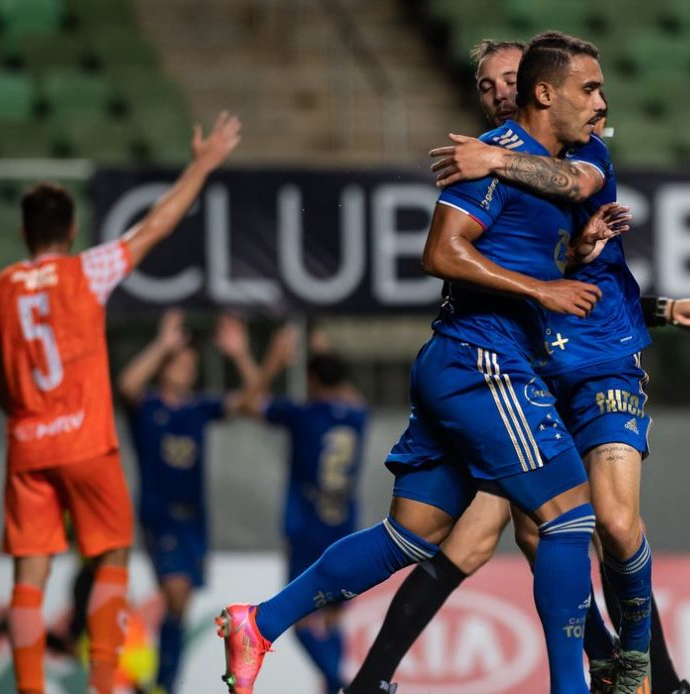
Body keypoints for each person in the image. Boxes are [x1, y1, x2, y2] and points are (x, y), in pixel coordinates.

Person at [217, 31, 615, 694]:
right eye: (590, 89)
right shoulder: (497, 159)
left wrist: (569, 259)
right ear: (546, 94)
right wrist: (542, 289)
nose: (601, 101)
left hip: (465, 364)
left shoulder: (541, 161)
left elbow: (571, 189)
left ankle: (259, 623)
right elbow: (440, 252)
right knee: (569, 517)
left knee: (410, 536)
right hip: (482, 361)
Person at [346, 37, 690, 694]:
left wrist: (657, 308)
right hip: (523, 367)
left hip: (586, 367)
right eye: (488, 84)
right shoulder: (497, 167)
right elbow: (539, 271)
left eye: (511, 78)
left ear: (539, 88)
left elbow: (581, 251)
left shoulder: (576, 151)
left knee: (602, 521)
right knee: (487, 538)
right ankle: (374, 680)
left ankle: (652, 680)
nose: (499, 91)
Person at [0, 111, 241, 694]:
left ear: (24, 234)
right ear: (70, 231)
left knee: (30, 572)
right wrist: (201, 164)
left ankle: (29, 688)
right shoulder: (85, 271)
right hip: (87, 442)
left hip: (27, 444)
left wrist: (23, 417)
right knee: (113, 554)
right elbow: (157, 225)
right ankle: (102, 685)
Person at [117, 309, 258, 694]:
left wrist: (241, 354)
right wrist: (162, 344)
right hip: (160, 516)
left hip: (194, 520)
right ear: (163, 366)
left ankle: (164, 682)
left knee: (180, 605)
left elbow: (253, 398)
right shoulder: (147, 407)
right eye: (179, 362)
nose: (185, 369)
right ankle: (163, 683)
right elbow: (126, 384)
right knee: (176, 593)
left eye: (191, 364)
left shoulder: (199, 410)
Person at [245, 325, 370, 693]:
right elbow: (350, 393)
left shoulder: (303, 415)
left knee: (300, 621)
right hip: (343, 526)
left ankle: (339, 683)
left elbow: (253, 403)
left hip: (305, 527)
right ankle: (335, 686)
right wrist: (324, 351)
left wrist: (273, 361)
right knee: (332, 618)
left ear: (312, 381)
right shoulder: (357, 417)